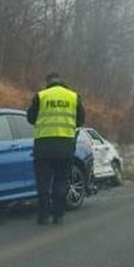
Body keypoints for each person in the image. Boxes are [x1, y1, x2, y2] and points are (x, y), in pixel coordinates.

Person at [27, 72, 85, 225]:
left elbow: (30, 118)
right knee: (61, 181)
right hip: (65, 147)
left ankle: (43, 216)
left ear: (48, 81)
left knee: (43, 183)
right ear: (62, 81)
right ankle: (58, 215)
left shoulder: (41, 96)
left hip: (43, 147)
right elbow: (80, 120)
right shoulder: (73, 97)